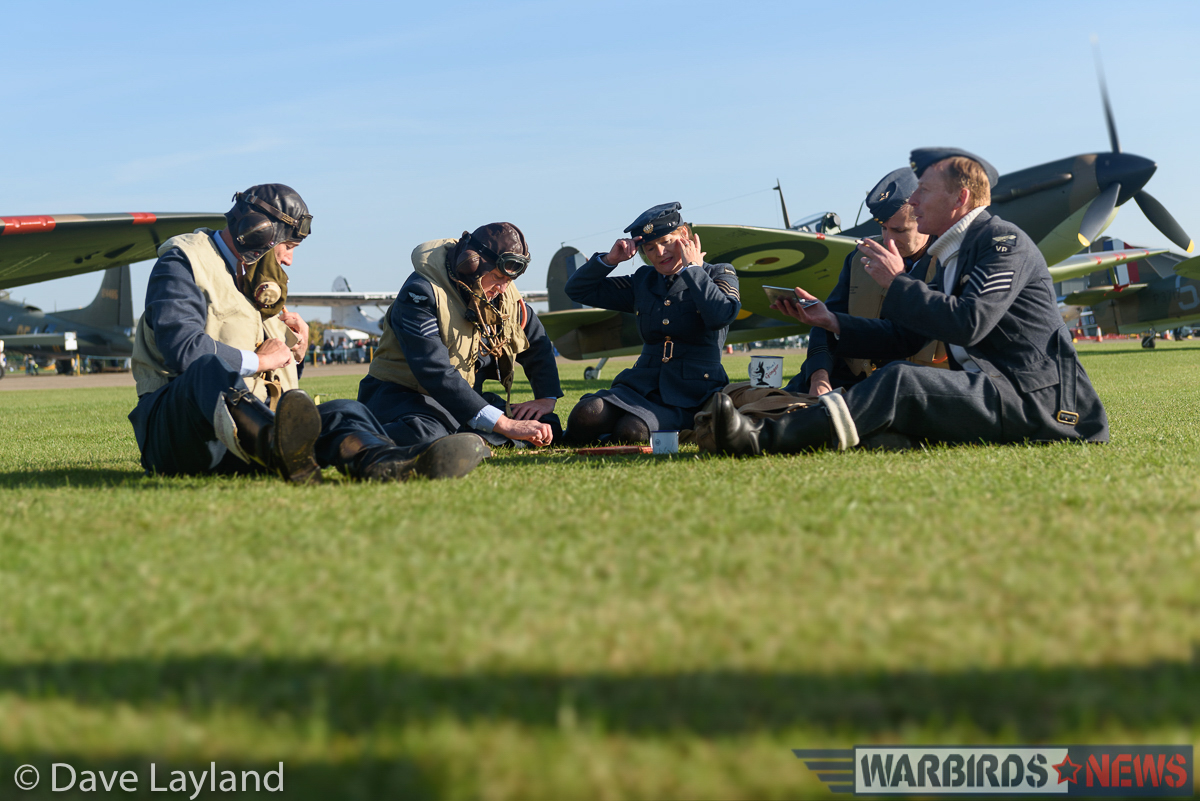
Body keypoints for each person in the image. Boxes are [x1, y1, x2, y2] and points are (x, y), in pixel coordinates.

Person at [710, 148, 1109, 455]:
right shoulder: (950, 254)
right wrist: (832, 322)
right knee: (895, 398)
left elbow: (971, 322)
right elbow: (904, 338)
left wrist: (898, 282)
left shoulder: (1003, 242)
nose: (913, 201)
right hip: (996, 393)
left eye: (924, 190)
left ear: (960, 199)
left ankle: (759, 440)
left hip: (1044, 406)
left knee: (901, 380)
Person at [128, 184, 490, 483]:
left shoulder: (258, 286)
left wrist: (294, 355)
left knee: (346, 410)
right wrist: (262, 359)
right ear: (261, 233)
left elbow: (271, 382)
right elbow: (182, 350)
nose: (288, 260)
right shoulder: (182, 263)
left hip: (243, 439)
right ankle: (280, 447)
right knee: (207, 369)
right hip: (178, 433)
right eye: (289, 247)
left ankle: (384, 462)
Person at [358, 222, 563, 449]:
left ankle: (473, 436)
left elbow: (537, 342)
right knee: (427, 436)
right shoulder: (420, 293)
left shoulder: (503, 294)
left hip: (459, 399)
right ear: (470, 265)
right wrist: (505, 425)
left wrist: (546, 397)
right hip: (402, 396)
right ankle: (346, 435)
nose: (503, 289)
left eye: (509, 281)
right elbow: (434, 372)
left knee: (545, 426)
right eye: (497, 277)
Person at [564, 202, 741, 443]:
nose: (659, 253)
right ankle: (597, 435)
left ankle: (611, 436)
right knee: (586, 413)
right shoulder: (644, 281)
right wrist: (610, 260)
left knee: (632, 431)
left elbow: (721, 316)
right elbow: (577, 290)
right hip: (640, 385)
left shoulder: (718, 273)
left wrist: (693, 269)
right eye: (649, 247)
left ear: (685, 236)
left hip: (692, 392)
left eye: (666, 242)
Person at [786, 167, 934, 395]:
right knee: (773, 408)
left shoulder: (951, 259)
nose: (888, 241)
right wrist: (819, 377)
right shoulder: (859, 258)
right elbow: (827, 321)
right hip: (857, 378)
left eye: (899, 230)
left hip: (918, 387)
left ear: (926, 218)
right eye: (883, 229)